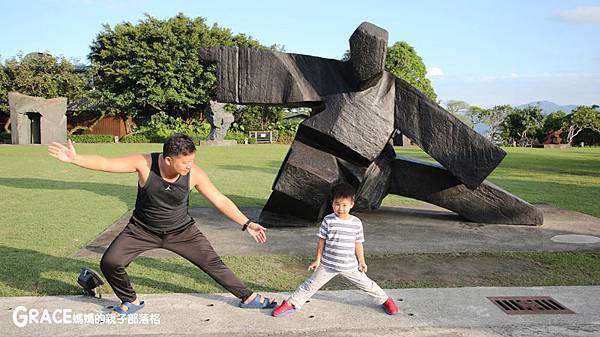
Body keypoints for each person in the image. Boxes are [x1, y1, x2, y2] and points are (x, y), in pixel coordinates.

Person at [48, 133, 277, 316]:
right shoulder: (145, 163)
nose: (189, 166)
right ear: (168, 159)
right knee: (110, 262)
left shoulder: (193, 174)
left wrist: (247, 224)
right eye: (185, 162)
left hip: (182, 231)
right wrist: (76, 158)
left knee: (213, 263)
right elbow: (106, 162)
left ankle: (249, 297)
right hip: (141, 229)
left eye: (191, 161)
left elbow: (219, 199)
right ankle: (131, 300)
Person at [271, 182, 398, 317]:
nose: (340, 208)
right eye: (337, 204)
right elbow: (322, 241)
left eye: (344, 205)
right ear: (332, 204)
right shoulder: (328, 220)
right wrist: (317, 260)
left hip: (350, 266)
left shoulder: (356, 223)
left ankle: (386, 300)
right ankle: (291, 303)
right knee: (310, 285)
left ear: (352, 204)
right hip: (328, 264)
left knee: (368, 285)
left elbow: (358, 243)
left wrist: (362, 261)